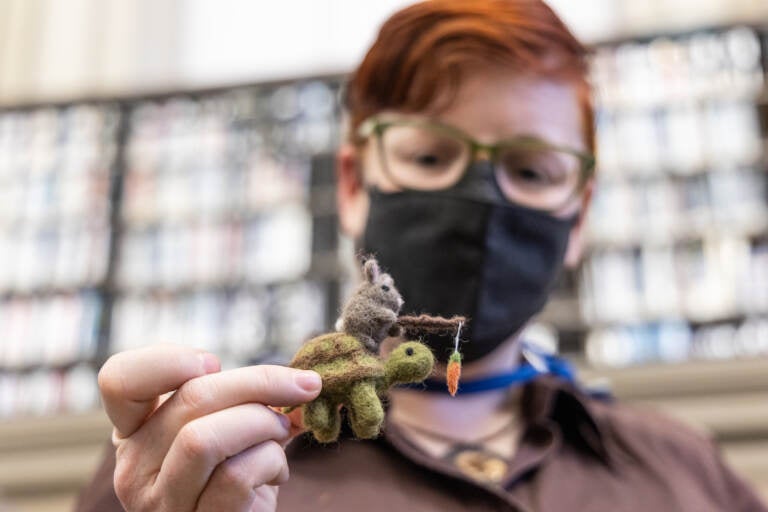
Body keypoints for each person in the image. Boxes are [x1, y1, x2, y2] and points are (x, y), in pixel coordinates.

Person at [76, 1, 767, 511]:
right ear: (353, 183)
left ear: (578, 214)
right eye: (431, 156)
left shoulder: (688, 473)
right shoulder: (195, 469)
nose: (479, 199)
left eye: (531, 170)